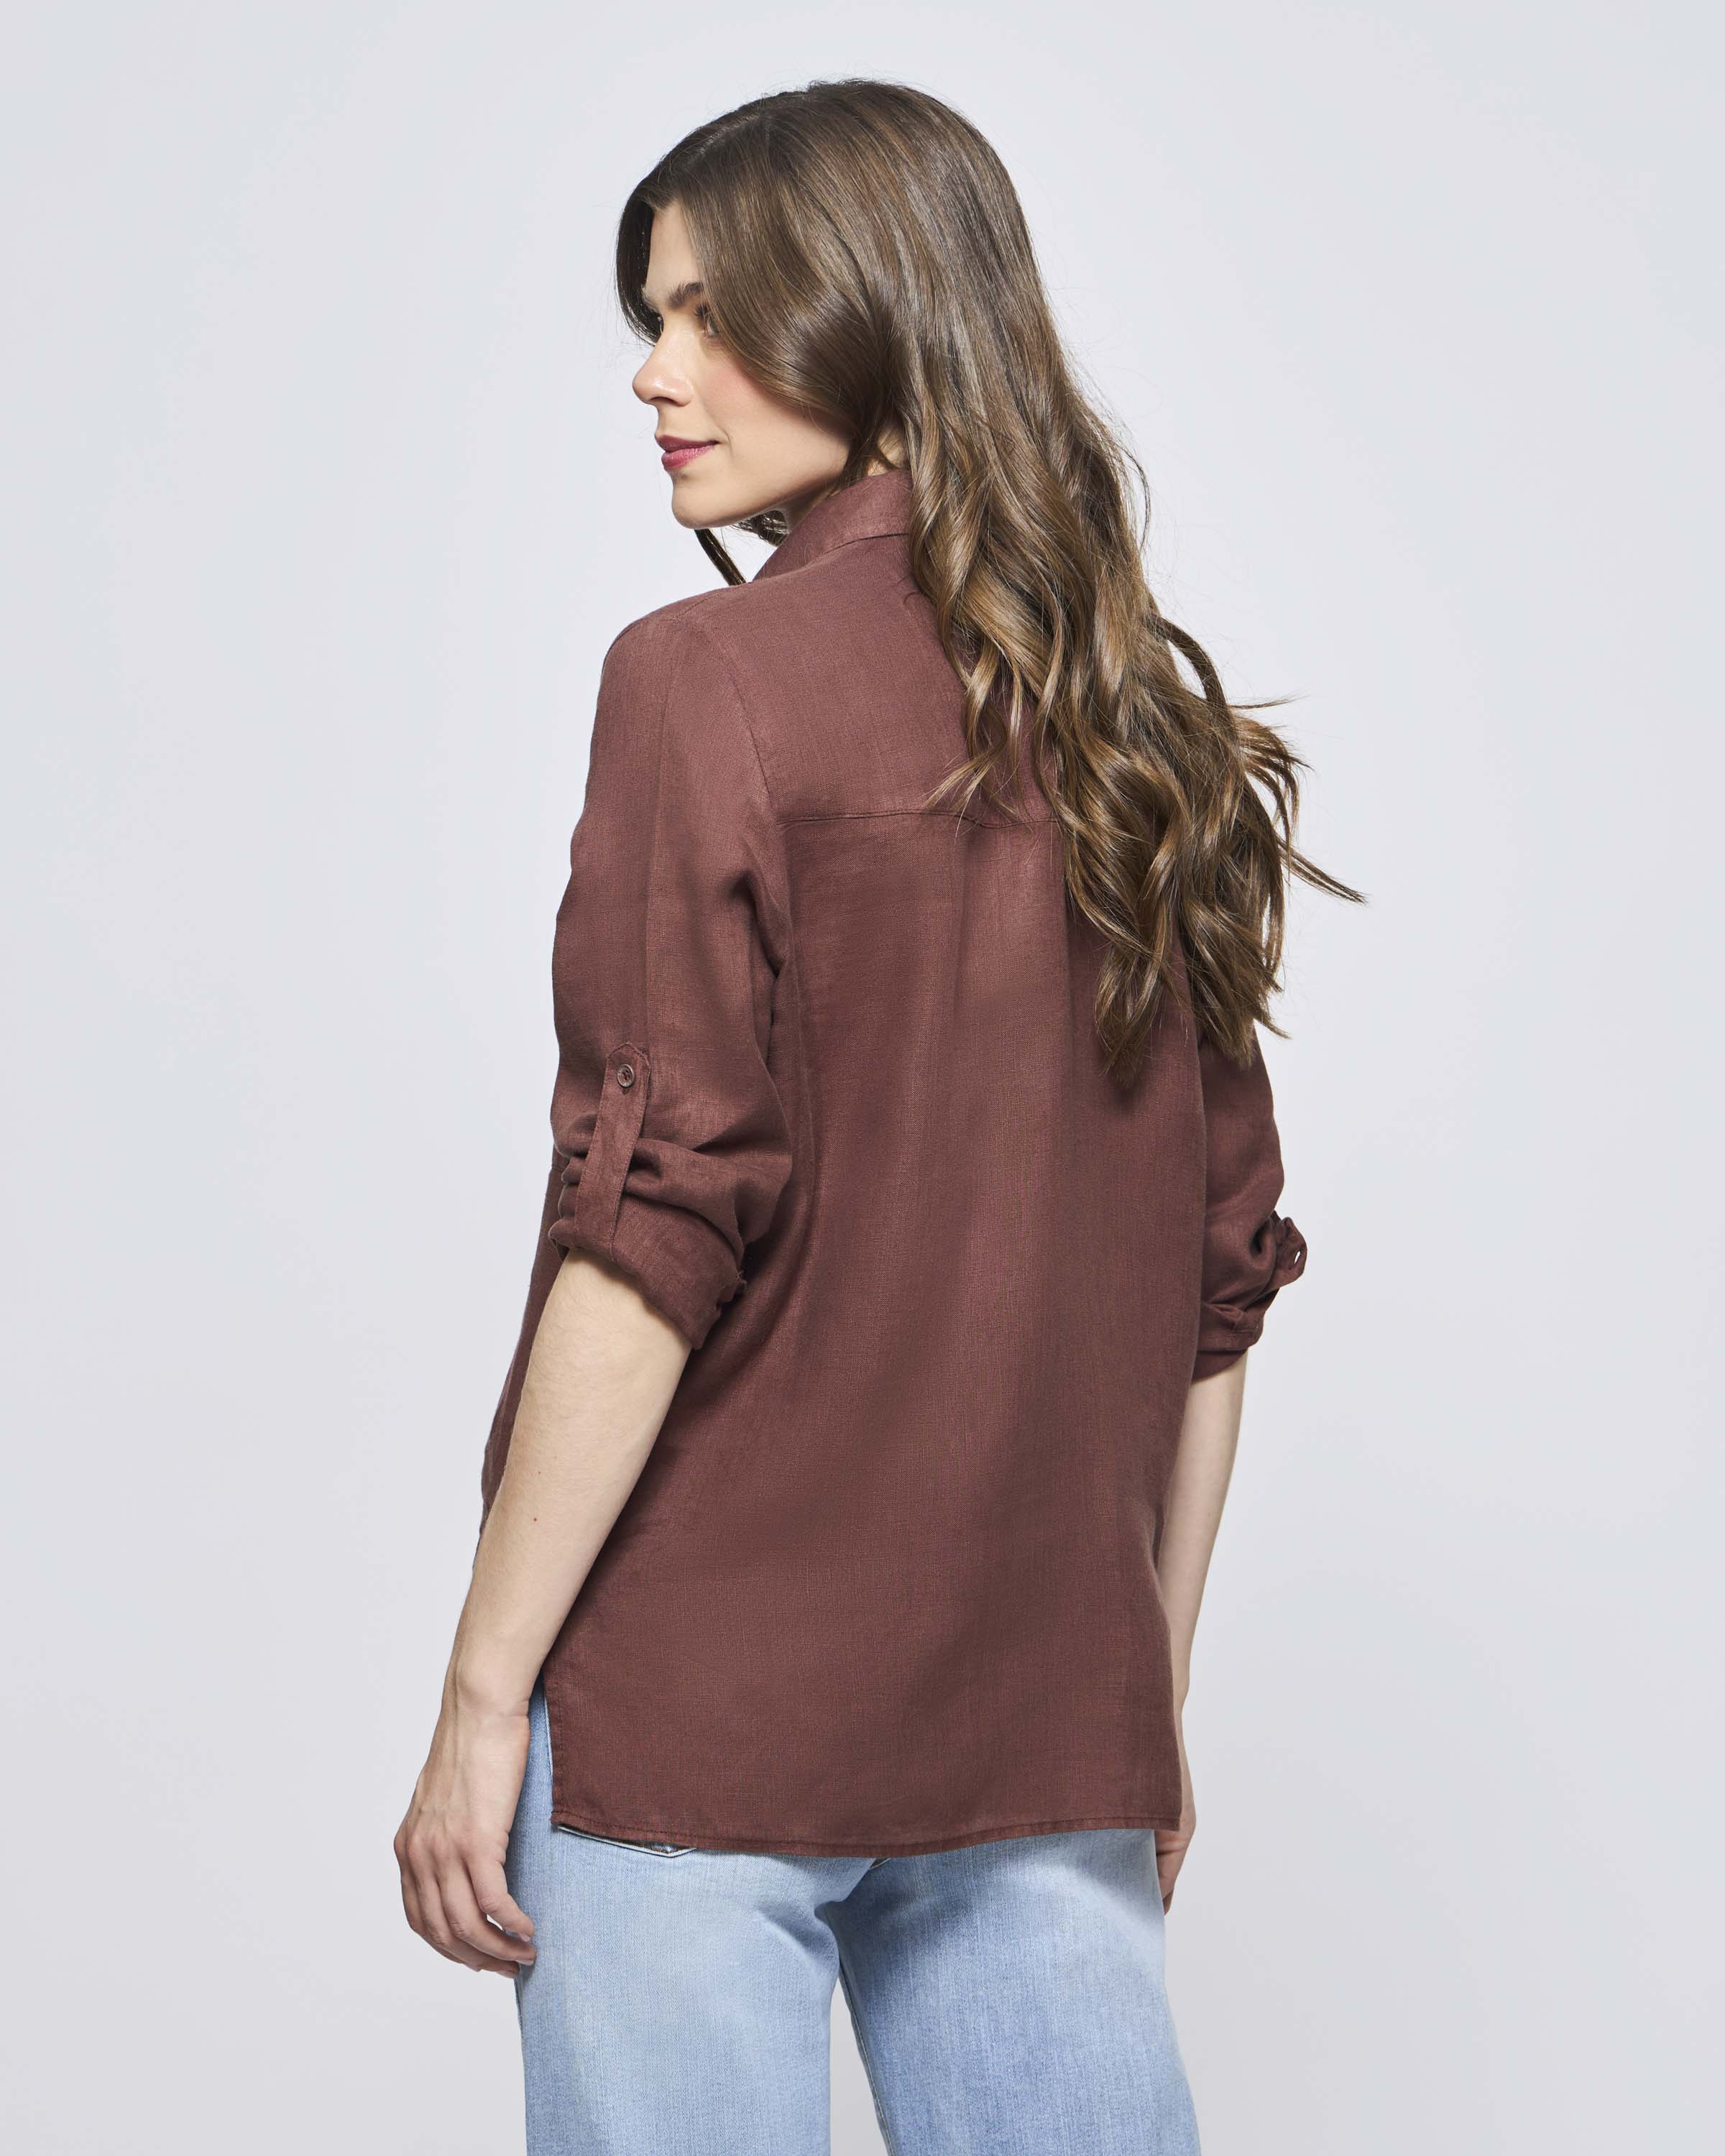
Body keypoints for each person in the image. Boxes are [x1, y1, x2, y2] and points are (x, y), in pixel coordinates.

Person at [395, 78, 1357, 2156]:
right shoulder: (1144, 733)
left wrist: (485, 1696)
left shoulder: (707, 680)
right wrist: (1143, 1697)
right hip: (1045, 1726)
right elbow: (1220, 1291)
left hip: (693, 1717)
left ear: (876, 317)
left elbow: (650, 1233)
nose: (655, 375)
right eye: (650, 320)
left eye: (710, 316)